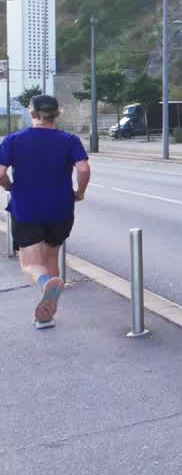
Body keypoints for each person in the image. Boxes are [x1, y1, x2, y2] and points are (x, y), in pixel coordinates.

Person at [0, 95, 90, 329]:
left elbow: (0, 173)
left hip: (27, 209)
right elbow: (83, 168)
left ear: (32, 113)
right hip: (61, 210)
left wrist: (9, 186)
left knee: (29, 262)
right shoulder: (69, 140)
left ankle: (44, 283)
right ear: (57, 114)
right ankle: (47, 315)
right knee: (51, 256)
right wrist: (79, 192)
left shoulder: (13, 140)